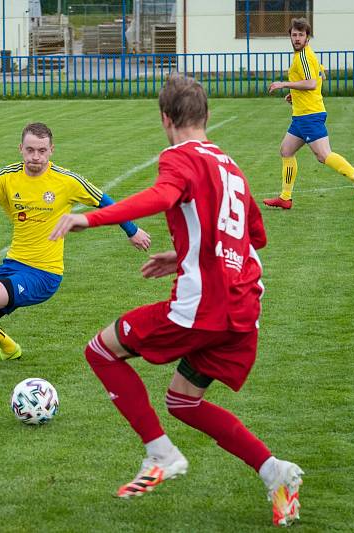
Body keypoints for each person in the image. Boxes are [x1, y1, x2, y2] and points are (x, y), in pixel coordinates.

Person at [50, 75, 303, 527]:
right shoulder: (230, 166)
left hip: (203, 308)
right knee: (184, 402)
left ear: (166, 120)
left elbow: (163, 195)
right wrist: (184, 254)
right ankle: (276, 472)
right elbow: (255, 236)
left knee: (101, 350)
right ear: (205, 116)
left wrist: (90, 219)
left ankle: (160, 455)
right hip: (244, 309)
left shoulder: (178, 157)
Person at [0, 122, 151, 369]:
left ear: (52, 150)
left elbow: (105, 202)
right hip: (14, 264)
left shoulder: (66, 181)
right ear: (20, 149)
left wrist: (132, 231)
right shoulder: (7, 178)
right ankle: (9, 349)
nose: (36, 157)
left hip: (45, 273)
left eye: (42, 151)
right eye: (30, 150)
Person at [263, 18, 354, 210]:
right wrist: (294, 94)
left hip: (309, 115)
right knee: (286, 150)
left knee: (323, 155)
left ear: (307, 37)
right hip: (300, 116)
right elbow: (319, 77)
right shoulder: (302, 56)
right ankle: (285, 197)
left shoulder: (304, 56)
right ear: (290, 35)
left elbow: (311, 83)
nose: (297, 38)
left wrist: (284, 84)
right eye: (294, 34)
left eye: (301, 35)